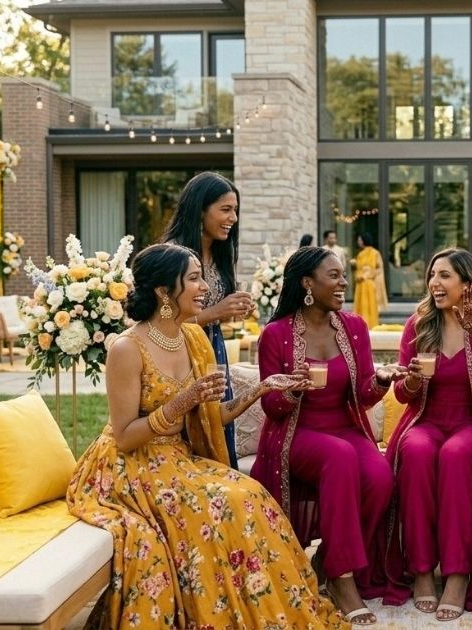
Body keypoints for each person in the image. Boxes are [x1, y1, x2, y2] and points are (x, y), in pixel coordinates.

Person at [66, 244, 344, 629]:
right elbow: (126, 436)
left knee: (249, 495)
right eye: (194, 279)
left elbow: (214, 417)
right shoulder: (127, 349)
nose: (205, 288)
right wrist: (182, 402)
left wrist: (262, 388)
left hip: (177, 460)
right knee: (222, 505)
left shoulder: (193, 337)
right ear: (165, 291)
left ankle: (268, 613)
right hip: (127, 469)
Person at [252, 247, 406, 625]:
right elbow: (272, 407)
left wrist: (381, 382)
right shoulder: (276, 335)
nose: (344, 283)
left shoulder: (353, 327)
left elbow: (364, 395)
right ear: (308, 283)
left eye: (343, 275)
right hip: (295, 433)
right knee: (339, 458)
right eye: (334, 276)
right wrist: (295, 389)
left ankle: (328, 558)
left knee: (381, 477)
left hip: (345, 428)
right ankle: (342, 580)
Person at [380, 248, 472, 621]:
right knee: (418, 452)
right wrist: (410, 380)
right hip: (426, 422)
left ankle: (457, 574)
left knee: (455, 456)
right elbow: (404, 397)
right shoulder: (419, 324)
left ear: (467, 284)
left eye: (445, 276)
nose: (435, 283)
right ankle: (421, 571)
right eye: (433, 275)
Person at [159, 171, 254, 464]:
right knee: (190, 433)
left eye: (235, 210)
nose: (233, 218)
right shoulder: (173, 255)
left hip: (213, 348)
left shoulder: (221, 252)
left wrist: (230, 312)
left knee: (216, 427)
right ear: (200, 210)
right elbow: (162, 322)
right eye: (225, 209)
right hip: (177, 355)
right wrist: (217, 312)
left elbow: (208, 313)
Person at [352, 232, 388, 329]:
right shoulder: (360, 254)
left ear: (364, 240)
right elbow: (359, 269)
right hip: (360, 284)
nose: (358, 242)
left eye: (359, 240)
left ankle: (371, 325)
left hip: (369, 283)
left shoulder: (375, 253)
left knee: (370, 305)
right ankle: (361, 325)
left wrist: (369, 274)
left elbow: (379, 268)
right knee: (361, 305)